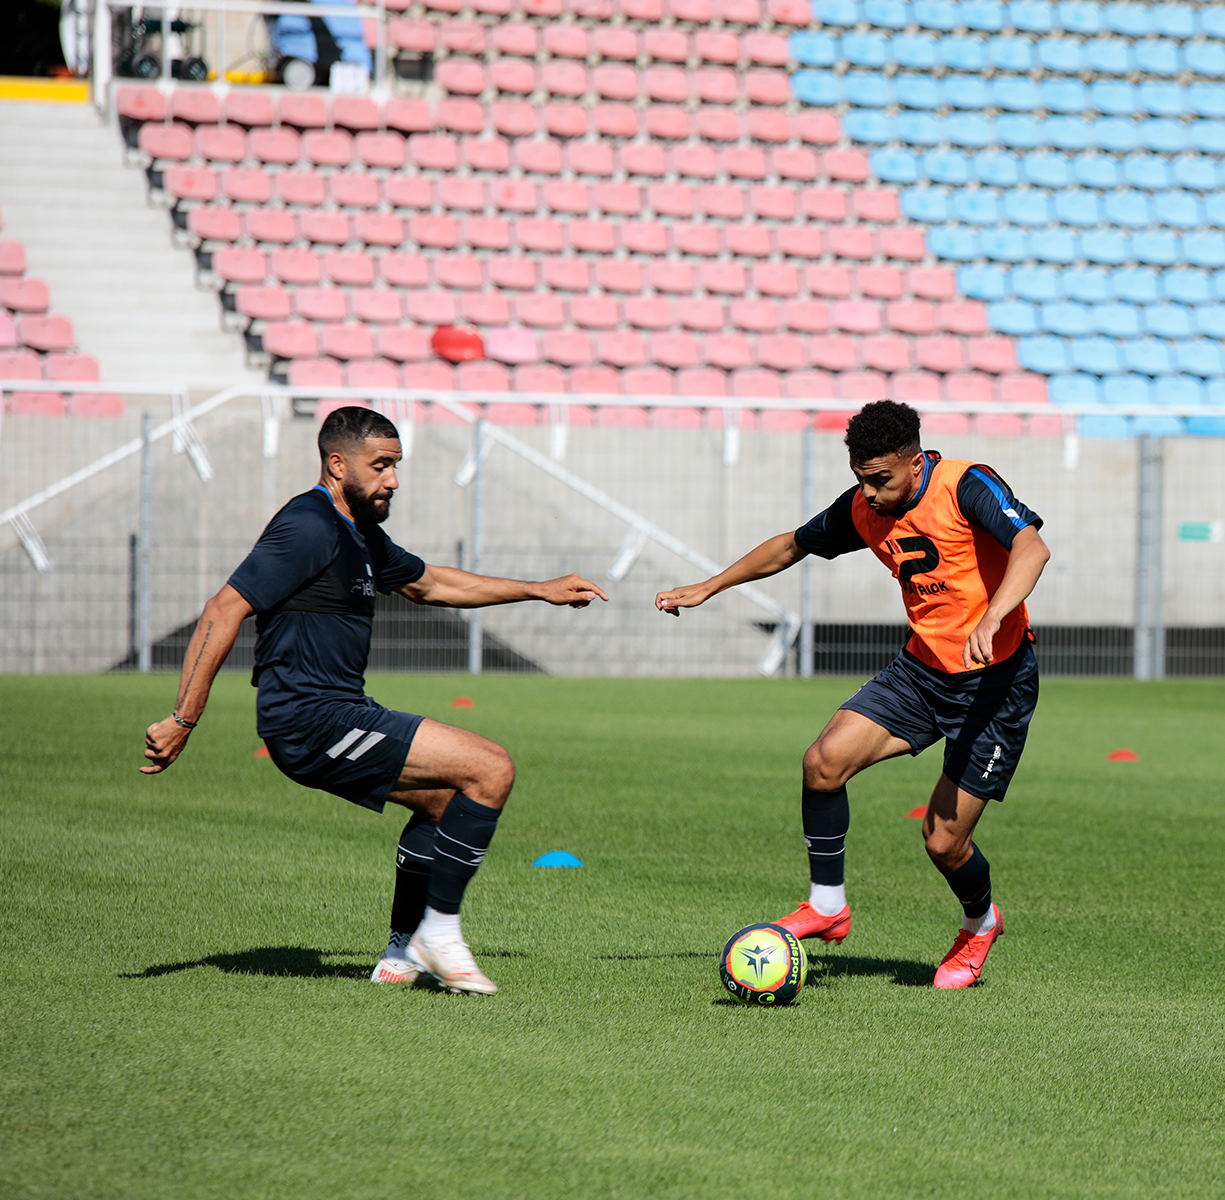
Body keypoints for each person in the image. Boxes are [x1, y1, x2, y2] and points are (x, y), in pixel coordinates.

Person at [142, 406, 608, 995]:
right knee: (490, 768)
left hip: (337, 710)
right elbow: (223, 609)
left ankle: (402, 952)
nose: (392, 479)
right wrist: (185, 717)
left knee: (443, 801)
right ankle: (438, 932)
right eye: (380, 465)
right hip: (310, 719)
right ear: (337, 465)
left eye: (397, 465)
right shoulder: (309, 525)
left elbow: (431, 584)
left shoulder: (357, 531)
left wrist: (536, 590)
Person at [656, 401, 1049, 989]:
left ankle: (979, 923)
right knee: (824, 762)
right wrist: (711, 587)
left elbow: (1032, 548)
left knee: (943, 842)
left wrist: (994, 615)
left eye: (880, 479)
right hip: (922, 672)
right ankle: (827, 904)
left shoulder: (966, 484)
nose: (867, 493)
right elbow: (791, 544)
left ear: (914, 463)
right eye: (859, 478)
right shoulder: (864, 507)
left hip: (995, 685)